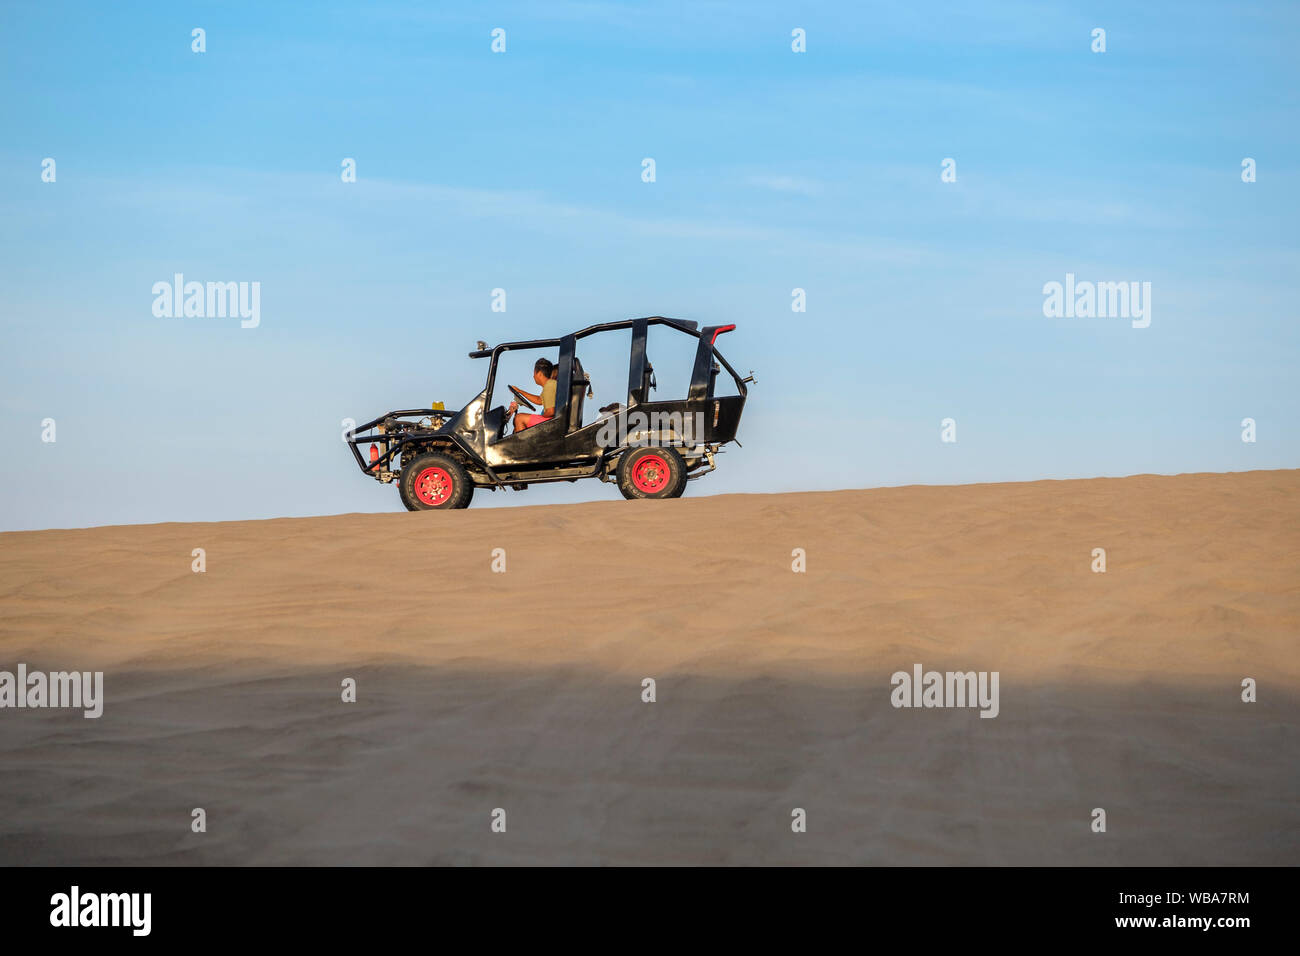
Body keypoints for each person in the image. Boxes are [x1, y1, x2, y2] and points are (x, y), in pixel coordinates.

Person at [508, 358, 558, 432]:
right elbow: (539, 400)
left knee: (519, 418)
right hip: (551, 420)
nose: (533, 376)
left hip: (551, 422)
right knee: (516, 429)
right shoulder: (550, 384)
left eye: (534, 373)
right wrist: (519, 391)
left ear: (540, 374)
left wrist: (541, 417)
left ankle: (522, 443)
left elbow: (551, 411)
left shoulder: (550, 385)